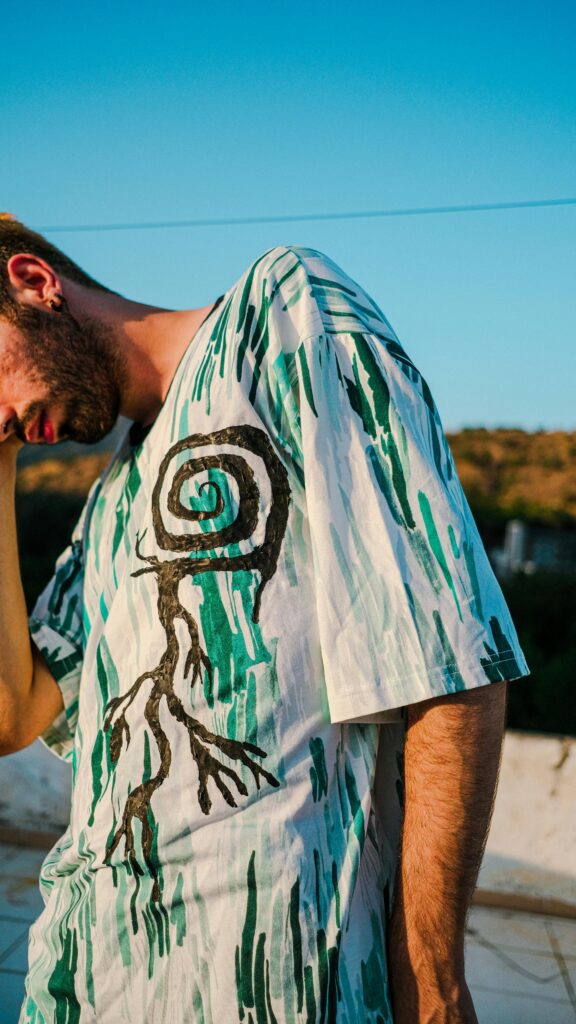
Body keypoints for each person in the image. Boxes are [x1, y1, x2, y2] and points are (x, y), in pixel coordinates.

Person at [0, 214, 529, 1024]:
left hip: (280, 989)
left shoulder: (282, 315)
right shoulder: (108, 503)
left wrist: (433, 982)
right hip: (86, 984)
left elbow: (448, 654)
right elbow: (17, 710)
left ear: (35, 283)